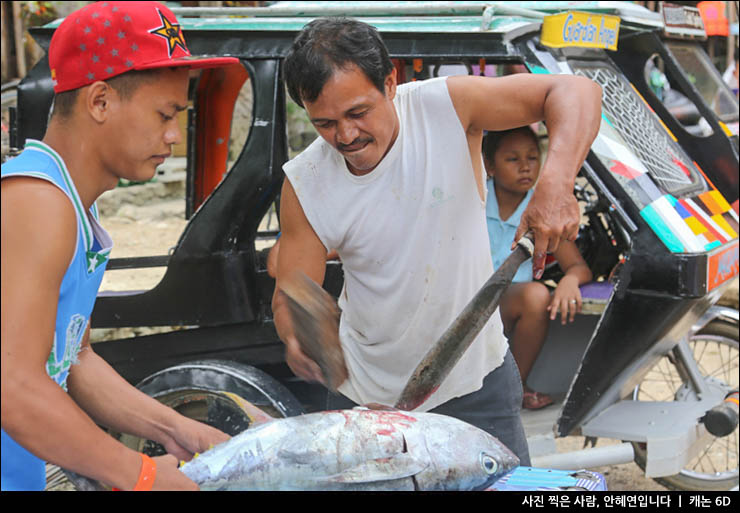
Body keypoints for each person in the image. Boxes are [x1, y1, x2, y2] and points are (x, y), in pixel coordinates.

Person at [271, 17, 601, 465]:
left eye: (357, 113)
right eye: (325, 123)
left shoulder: (446, 107)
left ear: (390, 81)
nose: (345, 136)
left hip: (476, 384)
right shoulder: (306, 184)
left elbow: (577, 92)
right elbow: (291, 293)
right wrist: (297, 338)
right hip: (367, 399)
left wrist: (557, 181)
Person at [1, 2, 240, 491]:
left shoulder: (70, 204)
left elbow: (75, 356)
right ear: (101, 101)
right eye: (165, 113)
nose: (174, 135)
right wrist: (142, 475)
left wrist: (175, 427)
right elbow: (13, 384)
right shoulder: (37, 203)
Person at [483, 127, 593, 410]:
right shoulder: (476, 200)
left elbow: (578, 266)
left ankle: (513, 389)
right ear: (489, 166)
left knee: (536, 296)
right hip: (465, 300)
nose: (525, 167)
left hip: (506, 304)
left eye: (532, 157)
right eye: (512, 159)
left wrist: (570, 280)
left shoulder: (543, 210)